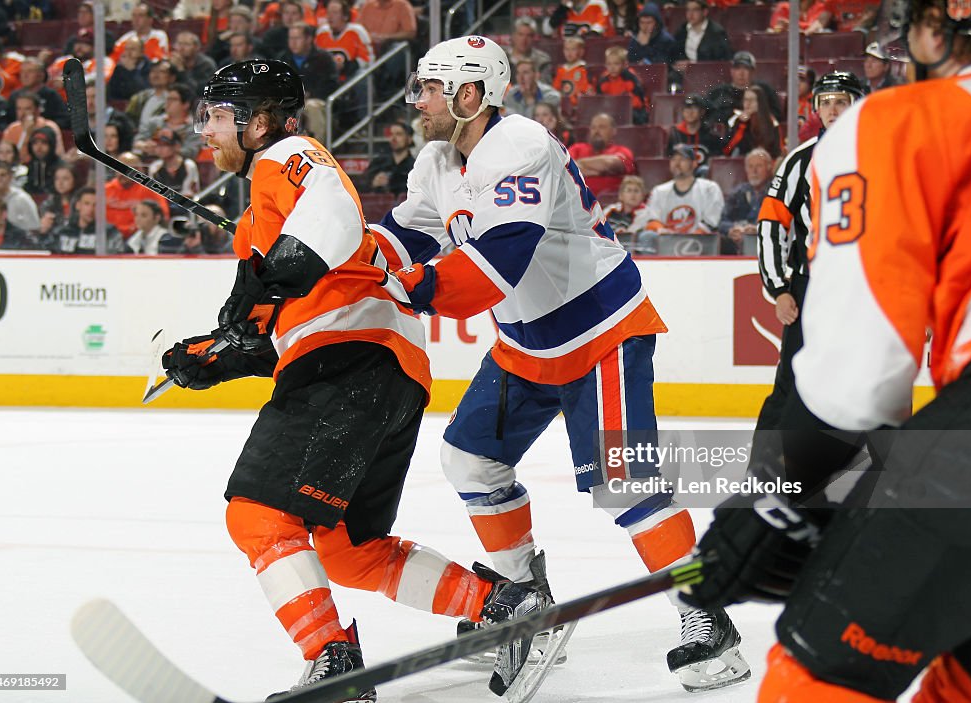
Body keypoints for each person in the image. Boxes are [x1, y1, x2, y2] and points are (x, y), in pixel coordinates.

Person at [371, 35, 749, 693]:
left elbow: (496, 264)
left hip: (600, 328)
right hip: (526, 343)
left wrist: (409, 284)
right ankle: (526, 603)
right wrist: (335, 258)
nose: (418, 101)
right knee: (468, 457)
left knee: (628, 482)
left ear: (469, 95)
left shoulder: (519, 145)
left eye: (430, 88)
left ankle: (706, 617)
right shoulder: (436, 158)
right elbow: (400, 233)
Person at [168, 59, 546, 699]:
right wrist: (217, 354)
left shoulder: (287, 155)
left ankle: (334, 663)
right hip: (381, 372)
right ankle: (509, 607)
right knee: (350, 548)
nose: (207, 131)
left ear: (259, 121)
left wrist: (274, 270)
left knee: (259, 517)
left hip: (348, 364)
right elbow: (270, 334)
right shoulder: (259, 221)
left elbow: (332, 215)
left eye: (218, 117)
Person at [682, 2, 971, 701]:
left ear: (932, 29)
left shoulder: (909, 118)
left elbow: (859, 375)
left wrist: (773, 496)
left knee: (818, 677)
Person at [752, 71, 864, 435]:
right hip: (811, 287)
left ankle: (890, 478)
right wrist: (779, 288)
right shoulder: (799, 160)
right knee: (791, 383)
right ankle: (764, 474)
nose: (832, 110)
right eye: (825, 103)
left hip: (866, 288)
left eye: (841, 102)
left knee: (876, 378)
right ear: (816, 108)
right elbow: (771, 222)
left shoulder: (883, 153)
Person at [638, 143, 723, 251]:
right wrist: (661, 230)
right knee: (646, 236)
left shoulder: (709, 188)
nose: (677, 163)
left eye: (682, 159)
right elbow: (652, 220)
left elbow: (711, 223)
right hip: (667, 242)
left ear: (694, 163)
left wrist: (685, 238)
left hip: (700, 243)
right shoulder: (659, 191)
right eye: (673, 159)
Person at [717, 147, 773, 254]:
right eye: (750, 166)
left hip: (767, 246)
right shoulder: (738, 192)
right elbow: (722, 222)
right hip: (738, 245)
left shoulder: (777, 192)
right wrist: (731, 229)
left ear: (769, 167)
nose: (754, 171)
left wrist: (759, 229)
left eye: (759, 166)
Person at [568, 112, 636, 196]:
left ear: (613, 131)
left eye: (602, 127)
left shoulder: (622, 150)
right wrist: (598, 170)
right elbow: (566, 168)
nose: (596, 131)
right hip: (579, 201)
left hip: (611, 202)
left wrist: (579, 163)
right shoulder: (577, 148)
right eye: (593, 127)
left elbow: (609, 164)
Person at [49, 187, 125, 254]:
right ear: (78, 205)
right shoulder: (62, 232)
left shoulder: (109, 232)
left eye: (95, 205)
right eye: (86, 204)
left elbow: (117, 259)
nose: (90, 209)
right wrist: (43, 234)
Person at [723, 84, 783, 158]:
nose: (748, 103)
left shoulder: (771, 122)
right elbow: (727, 149)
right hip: (741, 161)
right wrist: (742, 125)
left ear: (760, 102)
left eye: (752, 100)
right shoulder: (735, 120)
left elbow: (777, 150)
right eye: (746, 100)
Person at [596, 46, 648, 124]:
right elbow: (599, 101)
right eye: (609, 64)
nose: (612, 68)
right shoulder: (603, 80)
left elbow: (638, 102)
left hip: (632, 111)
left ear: (624, 64)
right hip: (611, 113)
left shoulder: (630, 78)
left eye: (616, 64)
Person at [674, 0, 733, 69]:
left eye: (695, 10)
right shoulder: (682, 30)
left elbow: (721, 61)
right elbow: (676, 54)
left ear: (705, 12)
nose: (690, 14)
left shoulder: (716, 33)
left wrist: (692, 65)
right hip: (684, 72)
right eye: (688, 10)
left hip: (708, 72)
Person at [666, 93, 722, 165]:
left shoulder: (711, 135)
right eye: (687, 108)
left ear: (702, 112)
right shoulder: (675, 134)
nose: (690, 112)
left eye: (694, 108)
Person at [0, 161, 39, 233]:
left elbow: (35, 227)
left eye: (2, 175)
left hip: (19, 240)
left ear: (10, 177)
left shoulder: (22, 198)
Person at [363, 120, 414, 194]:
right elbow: (361, 185)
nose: (393, 138)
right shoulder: (378, 162)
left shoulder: (414, 166)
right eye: (391, 134)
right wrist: (373, 183)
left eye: (398, 134)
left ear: (409, 139)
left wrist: (390, 184)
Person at [602, 174, 652, 250]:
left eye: (636, 191)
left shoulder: (646, 213)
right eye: (629, 190)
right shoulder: (611, 209)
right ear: (621, 195)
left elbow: (628, 234)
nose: (633, 194)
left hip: (628, 247)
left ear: (643, 195)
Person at [628, 3, 678, 67]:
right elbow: (631, 61)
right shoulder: (635, 38)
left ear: (656, 23)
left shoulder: (666, 40)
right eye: (642, 22)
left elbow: (661, 65)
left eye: (649, 22)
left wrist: (644, 46)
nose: (645, 26)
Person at [507, 17, 552, 83]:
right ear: (513, 36)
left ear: (534, 38)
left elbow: (545, 87)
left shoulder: (542, 61)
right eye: (520, 34)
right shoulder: (502, 58)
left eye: (529, 36)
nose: (524, 40)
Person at [552, 37, 591, 114]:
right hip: (562, 105)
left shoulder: (583, 69)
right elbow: (556, 88)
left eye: (573, 49)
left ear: (581, 51)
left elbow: (584, 89)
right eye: (566, 49)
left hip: (578, 106)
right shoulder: (561, 69)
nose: (569, 53)